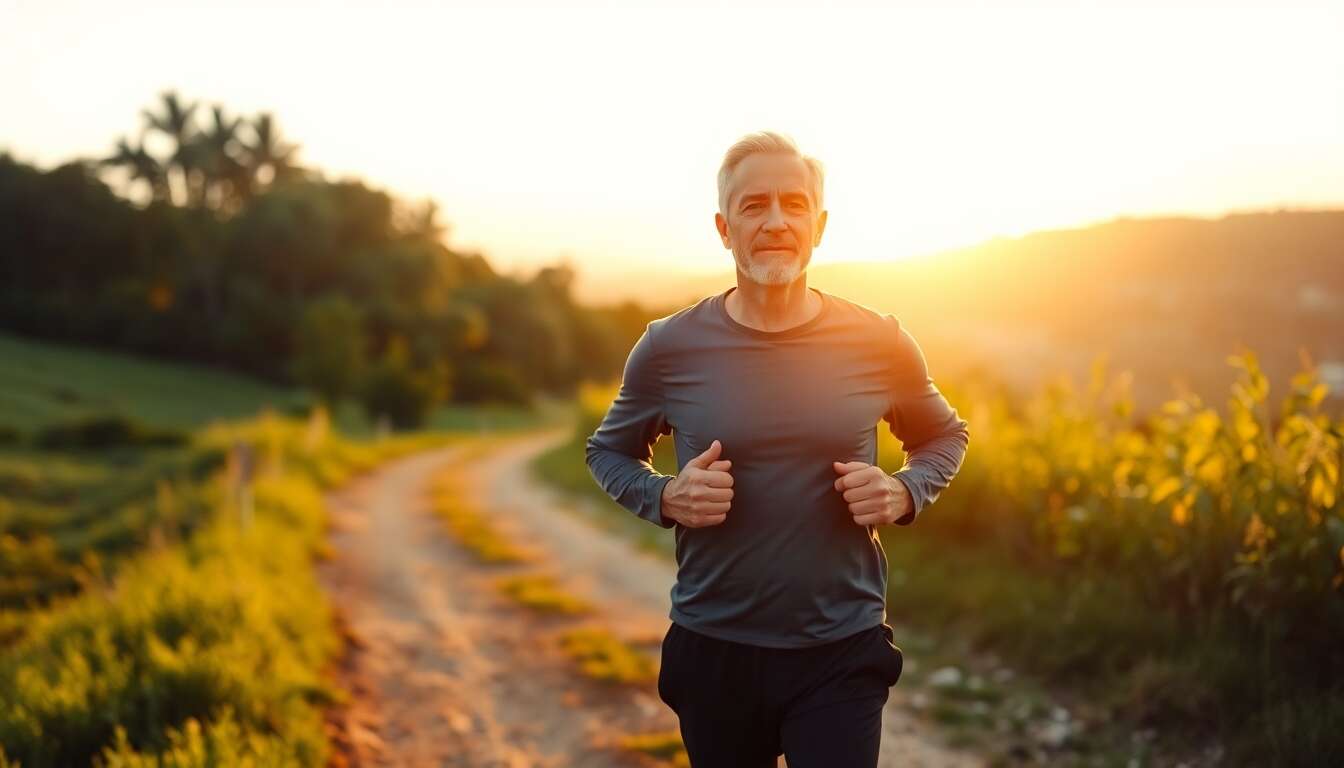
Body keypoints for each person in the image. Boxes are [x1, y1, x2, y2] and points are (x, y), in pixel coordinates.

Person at [584, 130, 970, 767]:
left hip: (840, 648)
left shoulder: (880, 341)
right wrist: (666, 496)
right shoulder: (668, 347)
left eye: (794, 204)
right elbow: (608, 452)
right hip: (715, 647)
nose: (775, 221)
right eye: (753, 204)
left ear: (818, 225)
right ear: (723, 227)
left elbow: (943, 436)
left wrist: (904, 490)